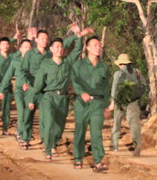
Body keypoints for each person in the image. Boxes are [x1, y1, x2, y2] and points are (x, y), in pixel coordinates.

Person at [27, 32, 83, 161]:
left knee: (59, 126)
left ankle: (53, 143)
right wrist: (31, 99)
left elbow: (77, 50)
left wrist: (79, 37)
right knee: (49, 122)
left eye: (61, 47)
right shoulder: (45, 64)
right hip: (49, 97)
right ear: (51, 49)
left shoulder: (67, 62)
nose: (59, 49)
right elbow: (38, 84)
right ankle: (48, 150)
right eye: (56, 47)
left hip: (63, 98)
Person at [72, 32, 110, 172]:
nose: (98, 48)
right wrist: (81, 92)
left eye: (99, 46)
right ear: (87, 48)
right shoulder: (79, 65)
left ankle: (98, 161)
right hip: (82, 104)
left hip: (98, 104)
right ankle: (78, 158)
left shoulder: (104, 68)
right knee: (80, 131)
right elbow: (74, 81)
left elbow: (106, 88)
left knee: (96, 133)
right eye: (94, 45)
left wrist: (106, 106)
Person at [15, 29, 50, 148]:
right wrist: (25, 82)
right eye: (42, 38)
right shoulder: (29, 54)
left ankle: (46, 141)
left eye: (46, 39)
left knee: (45, 116)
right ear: (36, 40)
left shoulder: (49, 55)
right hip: (32, 89)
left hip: (45, 90)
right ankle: (25, 138)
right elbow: (23, 70)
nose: (44, 41)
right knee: (28, 115)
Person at [109, 54, 144, 156]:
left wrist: (112, 102)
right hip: (133, 102)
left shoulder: (118, 73)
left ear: (120, 64)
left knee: (117, 124)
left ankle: (115, 146)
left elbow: (114, 88)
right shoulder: (137, 72)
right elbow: (144, 85)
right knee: (134, 125)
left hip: (120, 101)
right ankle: (137, 146)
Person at [1, 38, 33, 142]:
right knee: (21, 111)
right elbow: (8, 76)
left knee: (28, 113)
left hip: (31, 90)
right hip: (19, 90)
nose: (27, 49)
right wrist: (1, 89)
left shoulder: (35, 62)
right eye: (25, 47)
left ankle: (23, 132)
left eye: (29, 47)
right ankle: (20, 133)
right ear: (20, 49)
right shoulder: (15, 61)